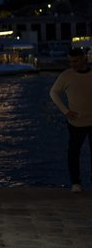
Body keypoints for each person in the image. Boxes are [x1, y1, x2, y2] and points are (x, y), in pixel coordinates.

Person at [49, 47, 92, 193]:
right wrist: (66, 111)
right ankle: (76, 183)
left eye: (75, 61)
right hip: (76, 121)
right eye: (70, 61)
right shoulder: (66, 75)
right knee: (73, 153)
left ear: (84, 58)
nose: (72, 64)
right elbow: (53, 93)